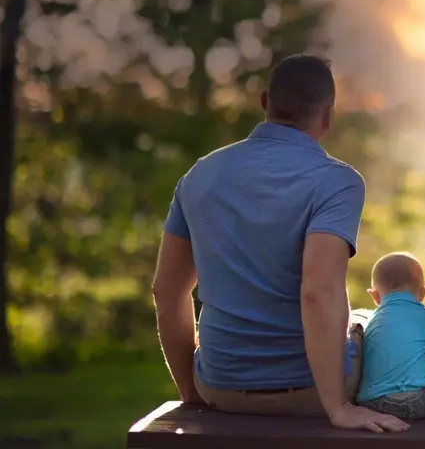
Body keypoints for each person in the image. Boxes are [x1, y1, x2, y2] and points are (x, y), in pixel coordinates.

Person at [152, 54, 407, 433]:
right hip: (308, 393)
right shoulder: (336, 181)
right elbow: (318, 292)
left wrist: (191, 390)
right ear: (328, 117)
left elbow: (166, 290)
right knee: (371, 322)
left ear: (264, 101)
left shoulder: (200, 174)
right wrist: (337, 406)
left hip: (219, 386)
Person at [356, 252, 425, 419]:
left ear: (374, 296)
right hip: (419, 401)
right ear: (423, 293)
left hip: (374, 403)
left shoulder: (371, 321)